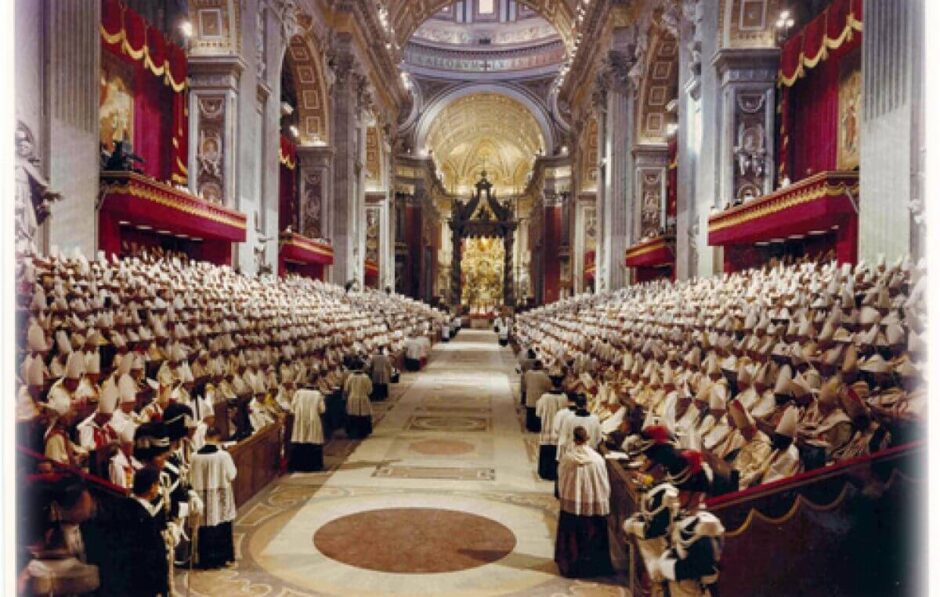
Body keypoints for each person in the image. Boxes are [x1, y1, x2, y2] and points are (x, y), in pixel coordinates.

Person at [554, 426, 613, 578]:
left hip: (572, 503)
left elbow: (561, 479)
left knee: (573, 534)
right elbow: (603, 482)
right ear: (587, 439)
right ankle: (594, 567)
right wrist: (603, 497)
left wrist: (564, 494)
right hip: (593, 503)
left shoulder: (567, 459)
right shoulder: (597, 460)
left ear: (574, 439)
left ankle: (571, 566)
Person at [114, 466, 170, 596]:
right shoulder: (145, 519)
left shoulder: (123, 507)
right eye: (157, 484)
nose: (158, 488)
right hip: (144, 584)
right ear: (151, 487)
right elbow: (153, 557)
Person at [189, 428, 237, 569]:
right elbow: (232, 475)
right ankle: (222, 559)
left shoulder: (194, 456)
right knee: (221, 525)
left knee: (205, 528)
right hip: (220, 496)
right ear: (217, 437)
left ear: (205, 437)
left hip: (202, 495)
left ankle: (206, 560)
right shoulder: (223, 456)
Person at [535, 373, 568, 480]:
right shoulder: (564, 397)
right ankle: (554, 473)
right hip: (559, 430)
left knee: (546, 451)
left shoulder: (545, 397)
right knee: (556, 453)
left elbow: (538, 413)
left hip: (547, 428)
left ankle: (544, 472)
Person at [289, 386, 327, 471]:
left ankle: (299, 466)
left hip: (300, 421)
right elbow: (322, 410)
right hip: (313, 420)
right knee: (313, 441)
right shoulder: (317, 394)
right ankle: (314, 466)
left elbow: (292, 408)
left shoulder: (298, 393)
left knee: (301, 440)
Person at [344, 358, 374, 439]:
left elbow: (346, 389)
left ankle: (353, 433)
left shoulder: (350, 377)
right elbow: (370, 390)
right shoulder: (365, 377)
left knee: (353, 416)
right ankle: (363, 433)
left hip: (352, 398)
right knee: (363, 416)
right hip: (363, 398)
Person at [523, 360, 552, 433]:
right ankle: (536, 427)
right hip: (538, 397)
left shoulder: (528, 373)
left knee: (530, 412)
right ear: (539, 366)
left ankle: (529, 426)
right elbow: (548, 385)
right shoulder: (542, 374)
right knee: (537, 413)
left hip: (530, 396)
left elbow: (525, 382)